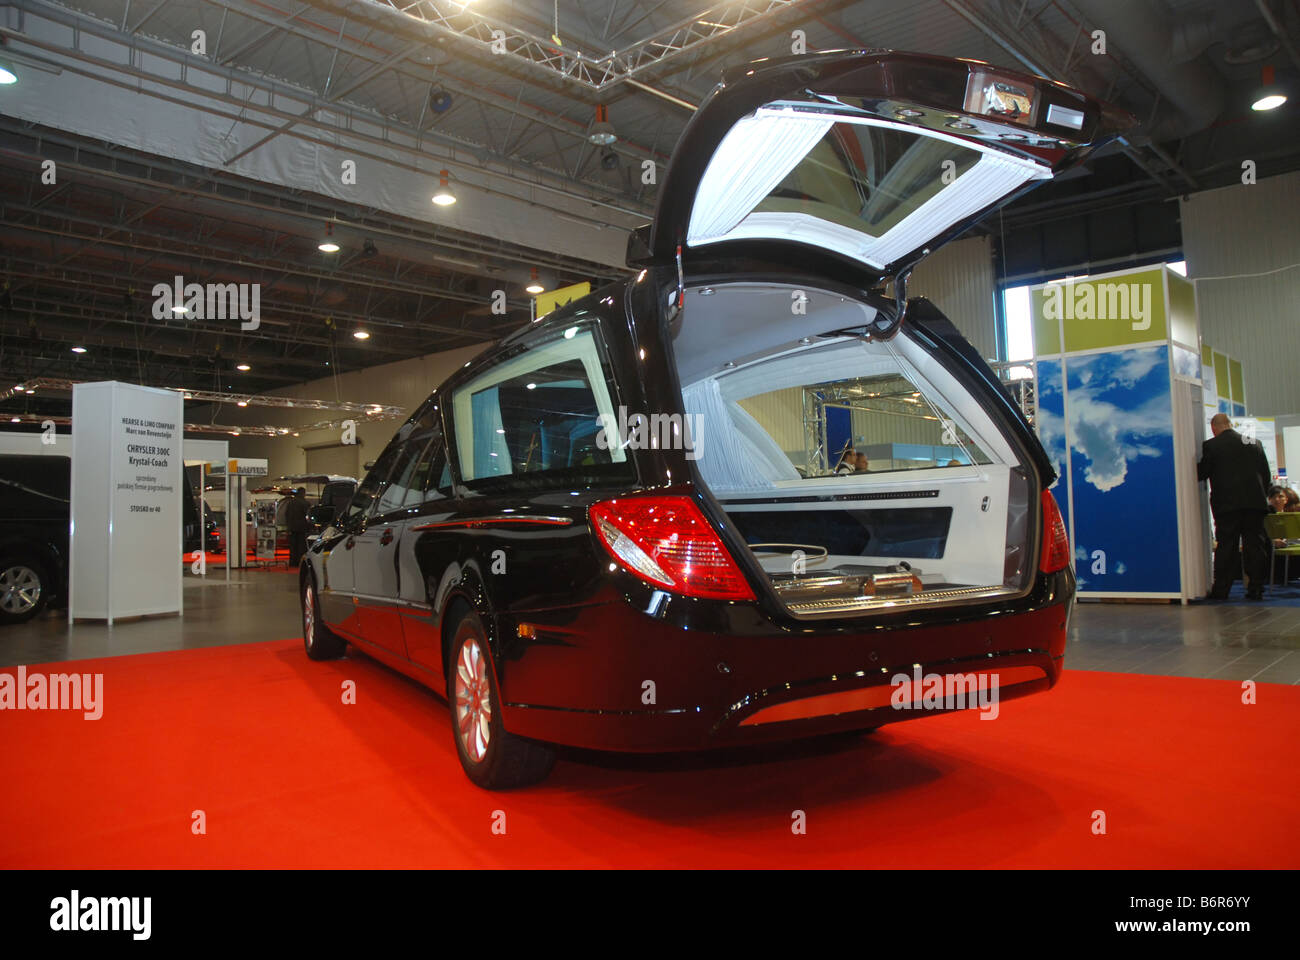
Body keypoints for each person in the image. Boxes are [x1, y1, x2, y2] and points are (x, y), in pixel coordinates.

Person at [1197, 414, 1271, 600]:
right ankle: (1256, 588)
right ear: (1230, 425)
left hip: (1227, 505)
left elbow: (1202, 473)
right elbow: (1265, 475)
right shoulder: (1254, 443)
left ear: (1214, 428)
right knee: (1255, 545)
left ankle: (1222, 590)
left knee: (1227, 546)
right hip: (1255, 503)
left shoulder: (1212, 445)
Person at [285, 487, 311, 567]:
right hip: (302, 527)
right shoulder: (305, 503)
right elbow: (308, 515)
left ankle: (292, 562)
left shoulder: (290, 503)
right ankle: (300, 562)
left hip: (292, 527)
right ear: (303, 493)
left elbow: (286, 514)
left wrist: (288, 525)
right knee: (301, 546)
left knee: (293, 546)